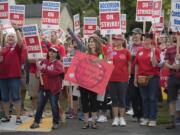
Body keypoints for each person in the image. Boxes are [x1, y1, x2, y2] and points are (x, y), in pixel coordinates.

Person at [30, 47, 64, 129]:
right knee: (40, 105)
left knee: (54, 105)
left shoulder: (58, 64)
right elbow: (38, 72)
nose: (51, 53)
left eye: (54, 52)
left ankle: (56, 122)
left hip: (54, 89)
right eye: (50, 51)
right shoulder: (44, 61)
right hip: (44, 87)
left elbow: (52, 73)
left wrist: (42, 69)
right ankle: (36, 121)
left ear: (57, 54)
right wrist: (37, 73)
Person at [134, 33, 160, 127]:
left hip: (152, 78)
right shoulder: (140, 50)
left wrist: (152, 53)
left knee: (152, 98)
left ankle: (153, 119)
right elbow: (136, 64)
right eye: (144, 39)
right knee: (144, 99)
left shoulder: (156, 50)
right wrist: (135, 78)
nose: (145, 41)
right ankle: (145, 117)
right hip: (141, 78)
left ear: (151, 40)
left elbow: (155, 64)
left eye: (147, 39)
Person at [0, 23, 24, 124]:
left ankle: (18, 117)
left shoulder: (17, 48)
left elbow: (20, 42)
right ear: (5, 39)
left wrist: (17, 29)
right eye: (8, 36)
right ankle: (7, 116)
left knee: (16, 97)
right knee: (4, 98)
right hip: (2, 77)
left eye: (12, 36)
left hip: (14, 76)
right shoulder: (1, 49)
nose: (10, 37)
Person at [79, 36, 102, 129]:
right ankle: (85, 121)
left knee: (94, 101)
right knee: (84, 101)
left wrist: (92, 55)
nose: (91, 43)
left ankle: (94, 122)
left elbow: (100, 64)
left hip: (94, 82)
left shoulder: (100, 54)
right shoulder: (84, 53)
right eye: (90, 41)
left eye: (93, 41)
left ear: (96, 43)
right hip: (84, 81)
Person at [109, 34, 131, 126]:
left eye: (118, 40)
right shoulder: (110, 51)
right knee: (114, 99)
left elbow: (129, 64)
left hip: (123, 78)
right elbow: (105, 61)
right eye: (115, 40)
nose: (116, 41)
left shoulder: (126, 51)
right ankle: (115, 118)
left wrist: (128, 75)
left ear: (122, 41)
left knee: (122, 99)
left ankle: (122, 118)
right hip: (111, 78)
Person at [127, 28, 143, 121]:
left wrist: (135, 56)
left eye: (137, 34)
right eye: (133, 34)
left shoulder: (143, 45)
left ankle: (142, 114)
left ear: (141, 35)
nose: (135, 36)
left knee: (141, 95)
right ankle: (136, 114)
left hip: (142, 73)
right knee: (133, 95)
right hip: (132, 73)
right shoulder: (129, 46)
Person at [164, 34, 180, 129]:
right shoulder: (170, 49)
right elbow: (166, 63)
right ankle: (172, 121)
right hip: (173, 77)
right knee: (171, 100)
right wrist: (172, 67)